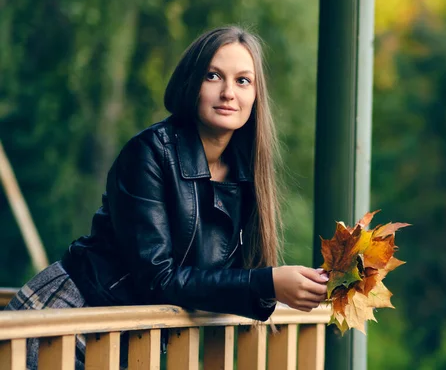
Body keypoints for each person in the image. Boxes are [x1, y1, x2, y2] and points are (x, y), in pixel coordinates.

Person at [5, 26, 329, 369]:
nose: (228, 93)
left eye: (243, 81)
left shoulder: (247, 173)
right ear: (192, 84)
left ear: (256, 95)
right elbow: (158, 277)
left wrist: (321, 282)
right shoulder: (149, 153)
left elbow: (219, 279)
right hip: (69, 317)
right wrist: (268, 281)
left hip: (128, 336)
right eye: (213, 76)